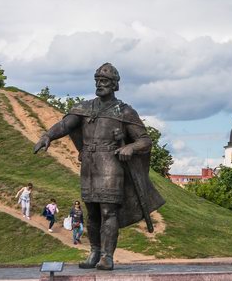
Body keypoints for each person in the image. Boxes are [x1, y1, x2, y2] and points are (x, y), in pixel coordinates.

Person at [34, 63, 165, 271]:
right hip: (89, 164)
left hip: (111, 165)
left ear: (114, 85)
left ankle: (107, 256)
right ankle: (94, 251)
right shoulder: (85, 107)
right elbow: (65, 125)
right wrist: (48, 135)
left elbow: (145, 140)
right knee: (92, 212)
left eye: (104, 81)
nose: (99, 84)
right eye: (97, 81)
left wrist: (130, 147)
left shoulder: (125, 111)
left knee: (108, 211)